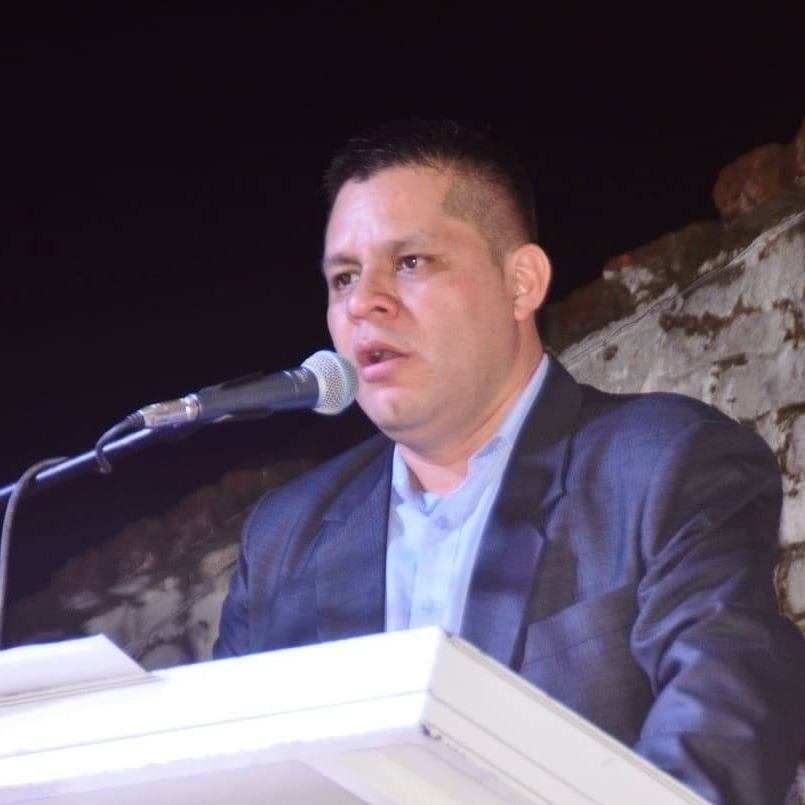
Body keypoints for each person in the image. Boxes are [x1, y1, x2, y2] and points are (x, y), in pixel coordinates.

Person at [214, 120, 805, 803]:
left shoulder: (661, 464)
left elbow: (721, 740)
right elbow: (215, 772)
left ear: (520, 283)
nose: (363, 302)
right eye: (343, 276)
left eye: (410, 262)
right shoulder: (284, 538)